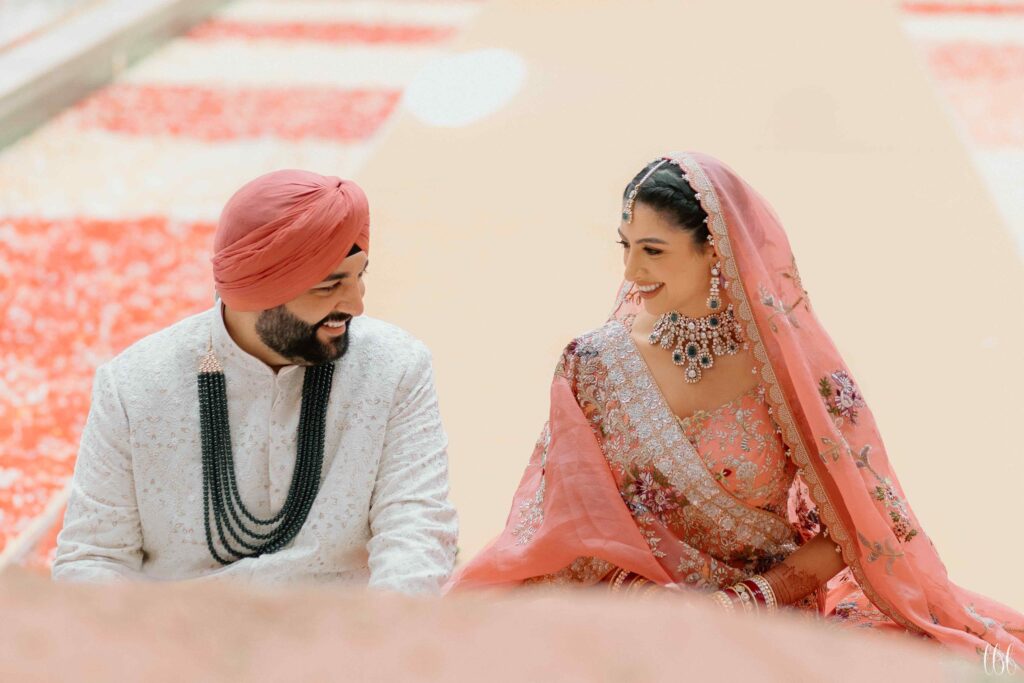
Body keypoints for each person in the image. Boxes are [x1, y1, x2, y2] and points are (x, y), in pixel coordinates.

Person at [448, 152, 1023, 660]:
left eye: (653, 250)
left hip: (763, 618)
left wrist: (740, 603)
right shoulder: (595, 363)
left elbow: (858, 528)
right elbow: (562, 523)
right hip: (628, 614)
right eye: (626, 248)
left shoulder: (789, 372)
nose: (631, 272)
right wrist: (650, 603)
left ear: (716, 250)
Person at [53, 170, 458, 593]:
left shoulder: (394, 368)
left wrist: (376, 647)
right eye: (329, 285)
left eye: (360, 276)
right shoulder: (135, 387)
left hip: (347, 638)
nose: (356, 304)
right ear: (256, 291)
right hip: (181, 642)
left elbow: (416, 535)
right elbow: (95, 558)